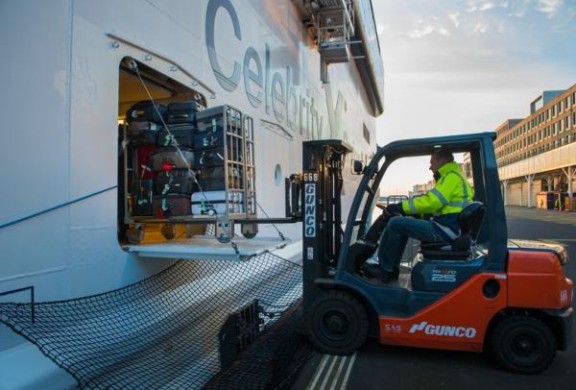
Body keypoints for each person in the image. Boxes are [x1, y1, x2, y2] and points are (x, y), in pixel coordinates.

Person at [362, 148, 474, 283]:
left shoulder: (450, 177)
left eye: (432, 162)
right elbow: (440, 208)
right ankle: (391, 269)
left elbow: (432, 202)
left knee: (395, 223)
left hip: (445, 230)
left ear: (442, 160)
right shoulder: (456, 177)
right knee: (402, 223)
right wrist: (417, 214)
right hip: (449, 227)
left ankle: (384, 269)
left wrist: (400, 207)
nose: (430, 166)